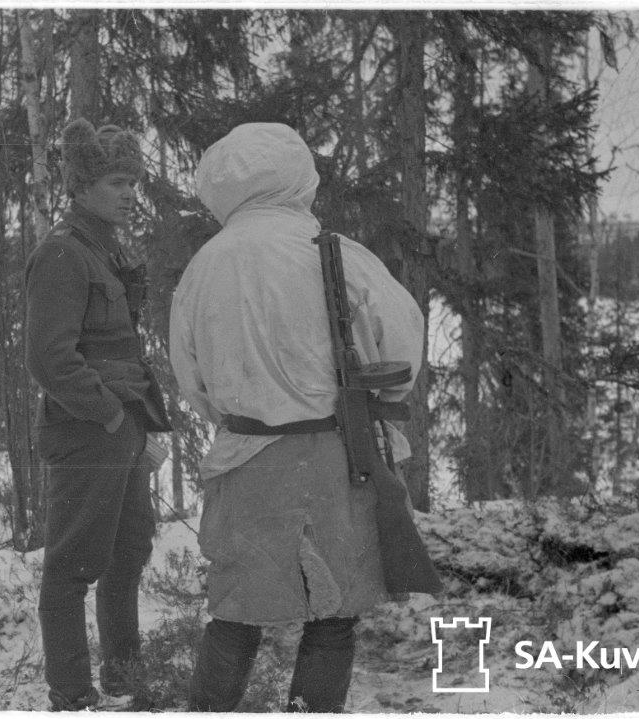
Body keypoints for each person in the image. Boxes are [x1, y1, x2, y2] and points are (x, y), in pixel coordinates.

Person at [169, 123, 425, 712]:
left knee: (235, 614)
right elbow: (401, 350)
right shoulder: (339, 253)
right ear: (299, 176)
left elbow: (191, 374)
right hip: (341, 456)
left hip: (246, 458)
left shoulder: (205, 265)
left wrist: (243, 414)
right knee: (333, 617)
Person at [24, 118, 172, 711]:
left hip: (120, 429)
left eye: (133, 181)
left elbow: (120, 350)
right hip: (88, 432)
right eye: (117, 182)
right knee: (71, 566)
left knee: (128, 552)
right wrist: (110, 417)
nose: (130, 193)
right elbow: (49, 358)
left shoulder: (106, 252)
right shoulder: (63, 252)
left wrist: (136, 425)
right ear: (82, 186)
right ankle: (72, 696)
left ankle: (124, 678)